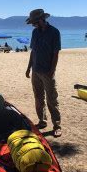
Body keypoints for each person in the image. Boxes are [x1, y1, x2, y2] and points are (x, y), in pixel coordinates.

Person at [25, 9, 62, 137]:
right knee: (38, 98)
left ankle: (57, 126)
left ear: (40, 20)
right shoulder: (35, 32)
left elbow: (55, 53)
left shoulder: (54, 32)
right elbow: (33, 51)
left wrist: (52, 71)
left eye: (34, 22)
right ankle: (42, 121)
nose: (32, 25)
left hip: (47, 72)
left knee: (52, 100)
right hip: (36, 70)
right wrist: (29, 67)